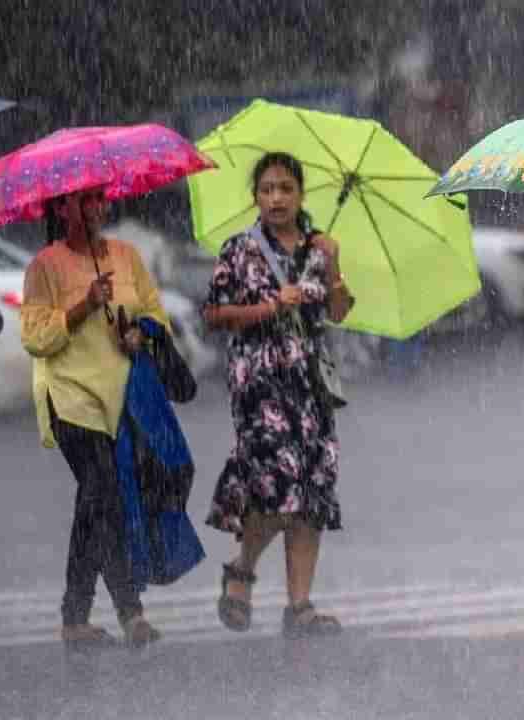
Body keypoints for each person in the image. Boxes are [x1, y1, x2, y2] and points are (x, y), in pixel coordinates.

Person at [204, 151, 355, 639]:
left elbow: (338, 311)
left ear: (300, 194)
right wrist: (271, 306)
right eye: (267, 189)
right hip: (259, 383)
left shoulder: (318, 247)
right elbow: (216, 313)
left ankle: (300, 605)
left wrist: (332, 265)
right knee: (274, 485)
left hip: (310, 386)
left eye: (285, 188)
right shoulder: (239, 249)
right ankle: (242, 569)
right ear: (256, 196)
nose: (276, 198)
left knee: (311, 491)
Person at [21, 187, 170, 651]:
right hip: (70, 400)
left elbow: (156, 317)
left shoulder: (126, 257)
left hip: (120, 400)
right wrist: (84, 305)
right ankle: (130, 612)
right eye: (82, 201)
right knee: (102, 493)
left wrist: (138, 336)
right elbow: (36, 339)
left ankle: (74, 619)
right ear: (61, 208)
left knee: (97, 503)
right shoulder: (45, 265)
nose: (94, 209)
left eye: (99, 199)